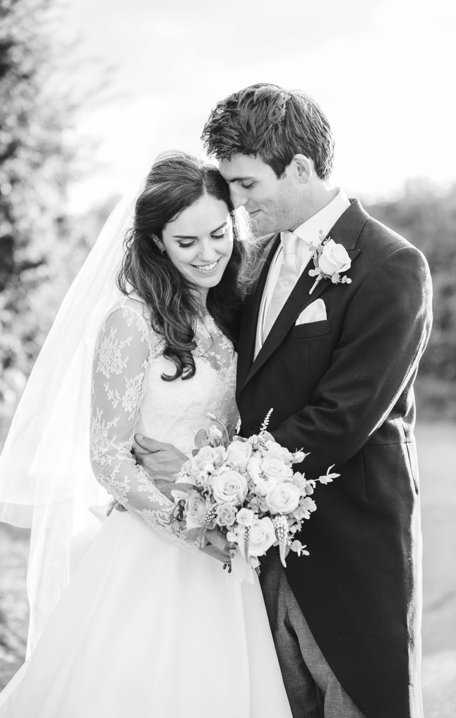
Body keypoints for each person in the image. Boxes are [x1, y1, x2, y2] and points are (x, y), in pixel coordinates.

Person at [135, 84, 433, 718]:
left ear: (298, 167)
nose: (236, 205)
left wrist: (205, 477)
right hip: (261, 550)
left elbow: (341, 419)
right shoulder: (260, 257)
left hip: (351, 542)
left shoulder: (391, 265)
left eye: (245, 185)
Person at [0, 152, 293, 717]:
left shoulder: (232, 315)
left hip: (225, 546)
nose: (208, 254)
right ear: (157, 243)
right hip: (152, 545)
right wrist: (190, 526)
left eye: (218, 233)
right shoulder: (130, 323)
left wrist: (233, 497)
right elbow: (108, 457)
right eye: (187, 243)